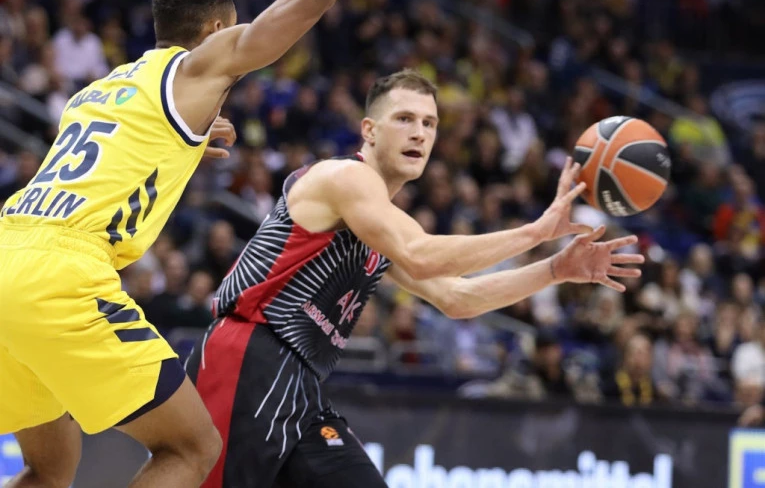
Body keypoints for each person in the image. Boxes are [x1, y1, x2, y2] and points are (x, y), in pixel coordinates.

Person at [185, 69, 645, 488]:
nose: (419, 133)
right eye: (405, 119)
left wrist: (555, 269)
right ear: (369, 130)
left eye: (430, 123)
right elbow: (421, 255)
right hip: (247, 356)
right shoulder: (345, 177)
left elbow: (457, 297)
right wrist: (536, 232)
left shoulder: (382, 221)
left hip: (302, 383)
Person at [0, 0, 348, 486]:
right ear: (216, 28)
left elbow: (112, 158)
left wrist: (186, 145)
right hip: (60, 272)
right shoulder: (198, 66)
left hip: (9, 248)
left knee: (48, 469)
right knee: (192, 447)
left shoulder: (100, 90)